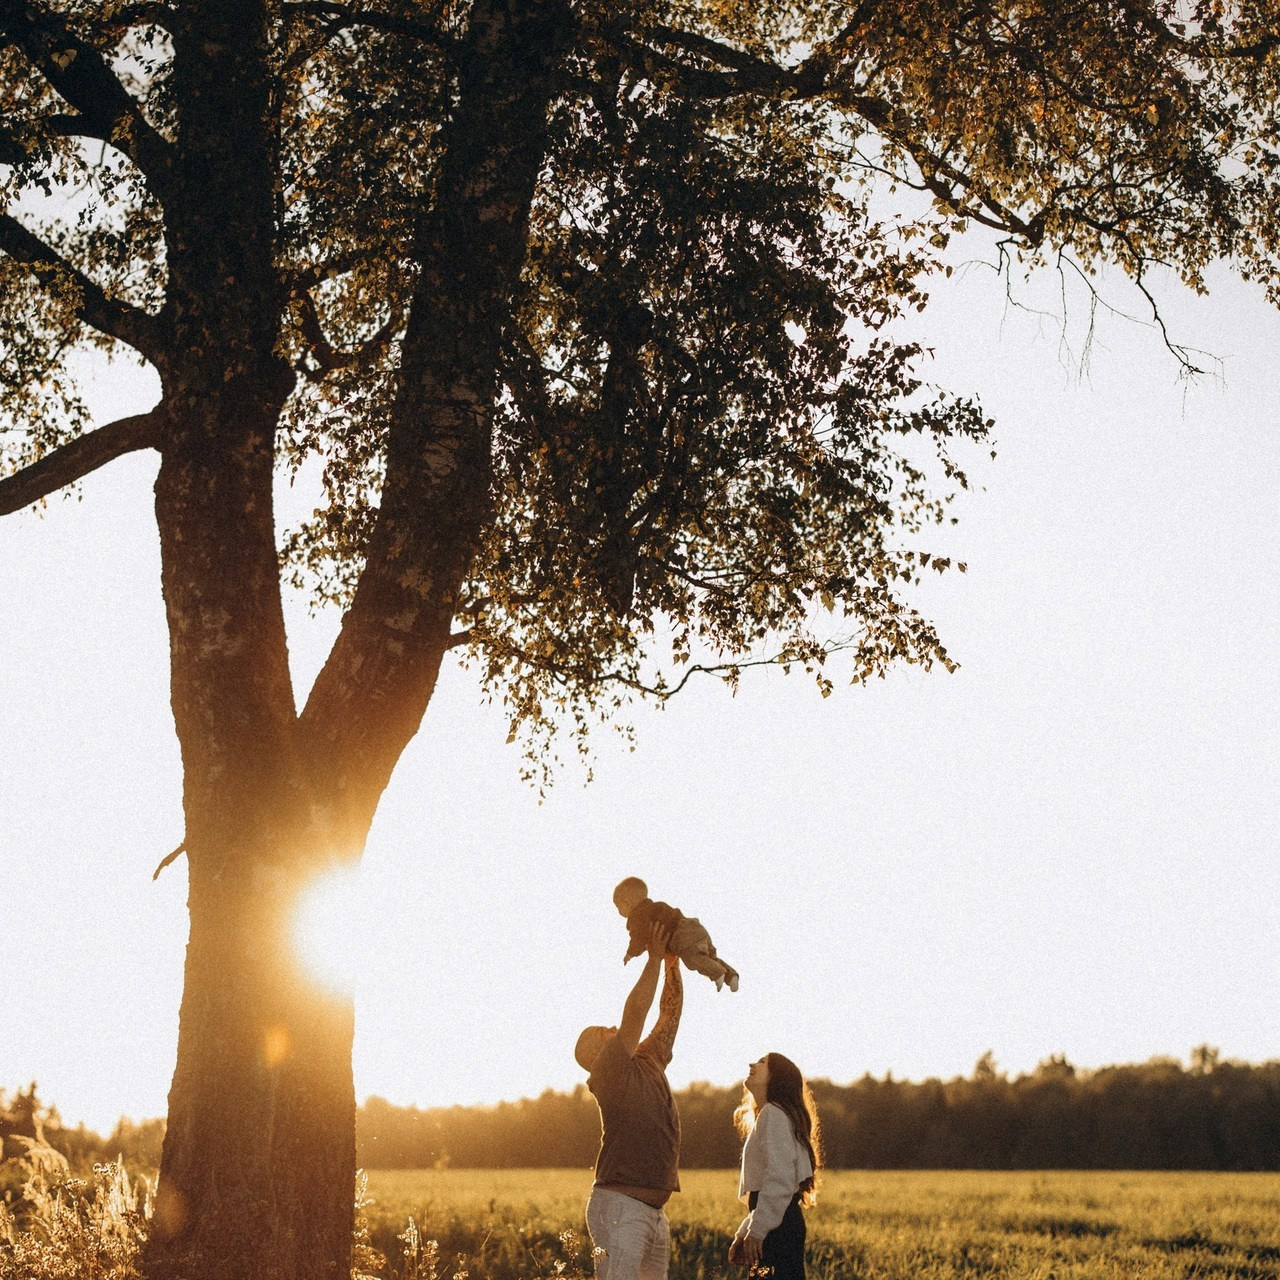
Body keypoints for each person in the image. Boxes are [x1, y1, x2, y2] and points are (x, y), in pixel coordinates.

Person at [576, 921, 684, 1280]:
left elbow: (669, 1015)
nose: (609, 1029)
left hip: (652, 1214)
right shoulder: (606, 1071)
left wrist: (672, 962)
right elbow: (636, 1012)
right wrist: (653, 958)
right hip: (620, 1209)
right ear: (594, 1056)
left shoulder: (647, 1059)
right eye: (598, 1035)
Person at [729, 1053, 823, 1280]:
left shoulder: (774, 1114)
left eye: (762, 1062)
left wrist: (757, 1231)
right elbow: (770, 1189)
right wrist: (744, 1232)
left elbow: (779, 1180)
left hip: (778, 1230)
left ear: (776, 1077)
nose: (753, 1064)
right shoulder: (771, 1114)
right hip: (779, 1224)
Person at [613, 875, 739, 992]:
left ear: (627, 904)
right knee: (709, 958)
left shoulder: (637, 915)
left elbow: (638, 937)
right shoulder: (657, 906)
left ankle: (717, 973)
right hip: (695, 927)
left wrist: (631, 953)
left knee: (692, 959)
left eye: (618, 907)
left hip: (682, 936)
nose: (619, 911)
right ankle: (731, 976)